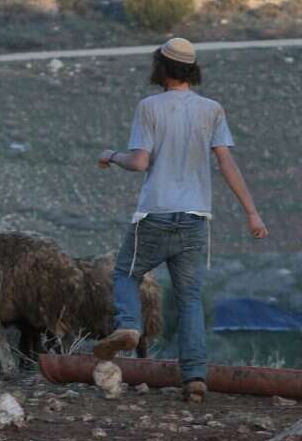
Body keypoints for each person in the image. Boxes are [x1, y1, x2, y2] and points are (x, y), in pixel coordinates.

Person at [93, 37, 268, 403]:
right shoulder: (211, 109)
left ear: (161, 67)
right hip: (194, 219)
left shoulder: (149, 107)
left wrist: (111, 155)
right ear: (191, 70)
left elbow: (140, 161)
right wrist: (251, 212)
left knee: (126, 272)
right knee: (189, 297)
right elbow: (226, 163)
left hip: (155, 215)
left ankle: (129, 326)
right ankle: (194, 379)